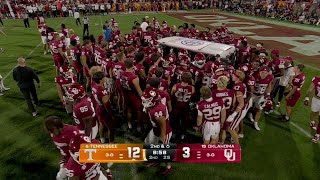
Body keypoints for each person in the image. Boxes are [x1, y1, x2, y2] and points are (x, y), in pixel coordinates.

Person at [142, 86, 173, 175]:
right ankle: (155, 159)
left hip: (164, 132)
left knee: (162, 151)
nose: (145, 101)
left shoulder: (158, 111)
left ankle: (168, 167)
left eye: (147, 99)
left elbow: (163, 128)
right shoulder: (154, 105)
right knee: (148, 142)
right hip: (155, 129)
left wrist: (161, 141)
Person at [44, 116, 79, 180]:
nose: (50, 132)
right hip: (66, 158)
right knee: (60, 177)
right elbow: (62, 149)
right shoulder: (56, 134)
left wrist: (70, 162)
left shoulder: (71, 133)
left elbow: (79, 150)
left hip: (75, 158)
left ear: (55, 128)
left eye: (51, 130)